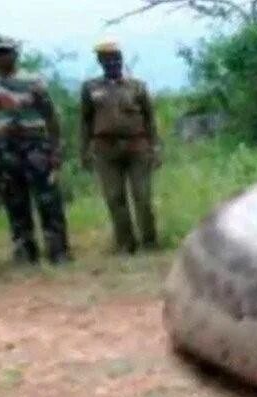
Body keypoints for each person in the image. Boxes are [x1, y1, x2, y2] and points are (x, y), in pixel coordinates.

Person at [0, 34, 70, 265]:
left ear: (15, 54)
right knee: (15, 201)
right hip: (5, 145)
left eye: (5, 52)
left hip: (35, 144)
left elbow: (51, 116)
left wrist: (55, 149)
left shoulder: (33, 81)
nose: (1, 57)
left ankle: (58, 251)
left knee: (48, 200)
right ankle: (24, 252)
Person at [79, 38, 161, 254]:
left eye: (115, 58)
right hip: (105, 150)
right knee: (114, 198)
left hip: (137, 147)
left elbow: (150, 119)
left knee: (142, 196)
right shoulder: (90, 88)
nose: (112, 63)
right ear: (100, 61)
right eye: (106, 59)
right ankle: (125, 244)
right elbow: (86, 121)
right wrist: (84, 151)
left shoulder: (137, 87)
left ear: (121, 59)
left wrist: (156, 148)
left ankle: (150, 241)